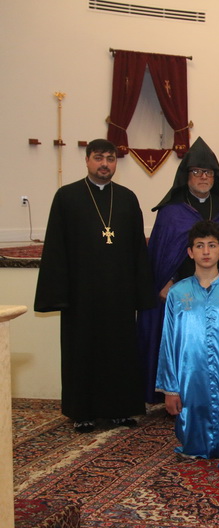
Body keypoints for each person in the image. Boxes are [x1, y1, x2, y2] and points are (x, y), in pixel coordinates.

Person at [34, 139, 153, 433]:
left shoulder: (126, 198)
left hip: (119, 295)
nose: (105, 164)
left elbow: (138, 249)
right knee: (82, 351)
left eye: (111, 159)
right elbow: (56, 248)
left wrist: (142, 293)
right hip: (81, 296)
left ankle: (121, 409)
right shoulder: (67, 197)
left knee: (120, 351)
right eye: (99, 158)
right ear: (87, 160)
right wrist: (59, 294)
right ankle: (82, 411)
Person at [138, 137, 219, 404]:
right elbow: (159, 254)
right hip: (177, 291)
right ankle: (175, 393)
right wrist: (164, 284)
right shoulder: (171, 212)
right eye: (197, 172)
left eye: (208, 172)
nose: (203, 177)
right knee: (183, 344)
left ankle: (212, 392)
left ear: (216, 177)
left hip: (217, 289)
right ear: (186, 176)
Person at [156, 221, 219, 459]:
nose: (206, 251)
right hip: (190, 380)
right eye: (200, 246)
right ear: (190, 252)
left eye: (212, 245)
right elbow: (168, 343)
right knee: (192, 434)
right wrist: (170, 389)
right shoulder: (177, 294)